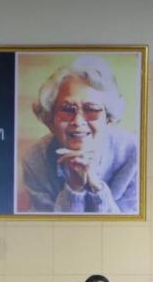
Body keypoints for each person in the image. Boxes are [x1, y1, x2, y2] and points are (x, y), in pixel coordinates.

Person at [20, 55, 138, 213]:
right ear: (50, 118)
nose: (78, 121)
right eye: (67, 109)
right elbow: (50, 226)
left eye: (91, 109)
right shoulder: (36, 159)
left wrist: (96, 186)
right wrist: (74, 187)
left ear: (108, 118)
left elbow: (128, 226)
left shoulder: (133, 154)